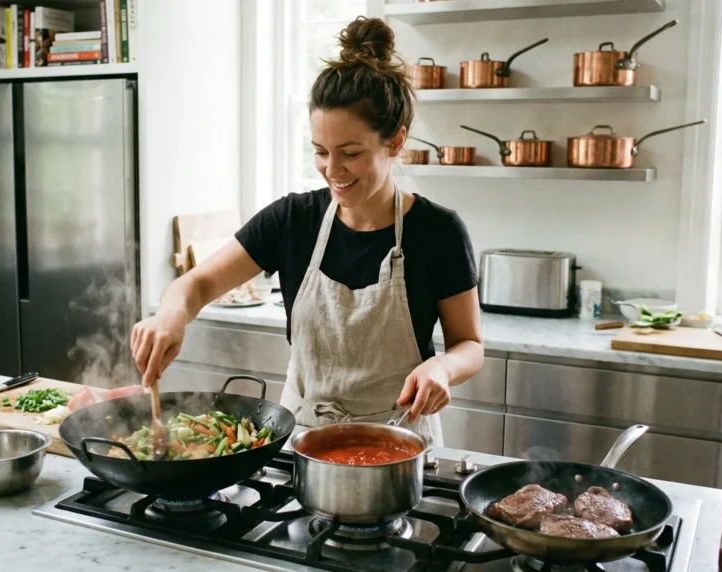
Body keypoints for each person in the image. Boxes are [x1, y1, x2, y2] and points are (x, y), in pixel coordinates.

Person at [130, 16, 483, 445]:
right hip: (302, 442)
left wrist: (441, 367)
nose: (332, 171)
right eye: (320, 152)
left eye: (350, 153)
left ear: (394, 142)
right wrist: (170, 314)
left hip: (399, 443)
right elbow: (197, 285)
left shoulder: (438, 232)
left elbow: (470, 345)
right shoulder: (291, 221)